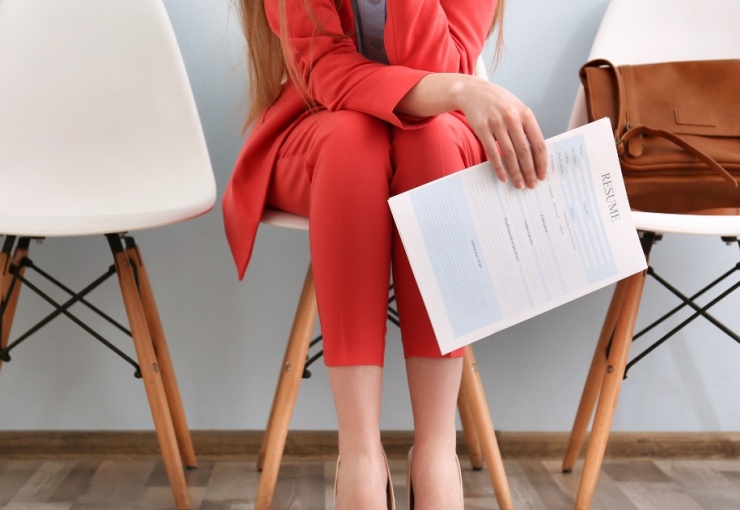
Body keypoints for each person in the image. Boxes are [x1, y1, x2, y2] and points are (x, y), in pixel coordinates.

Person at [223, 0, 547, 507]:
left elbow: (438, 64)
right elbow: (328, 75)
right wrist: (464, 89)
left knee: (432, 140)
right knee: (355, 140)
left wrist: (453, 86)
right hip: (321, 130)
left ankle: (437, 454)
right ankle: (359, 456)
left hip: (439, 137)